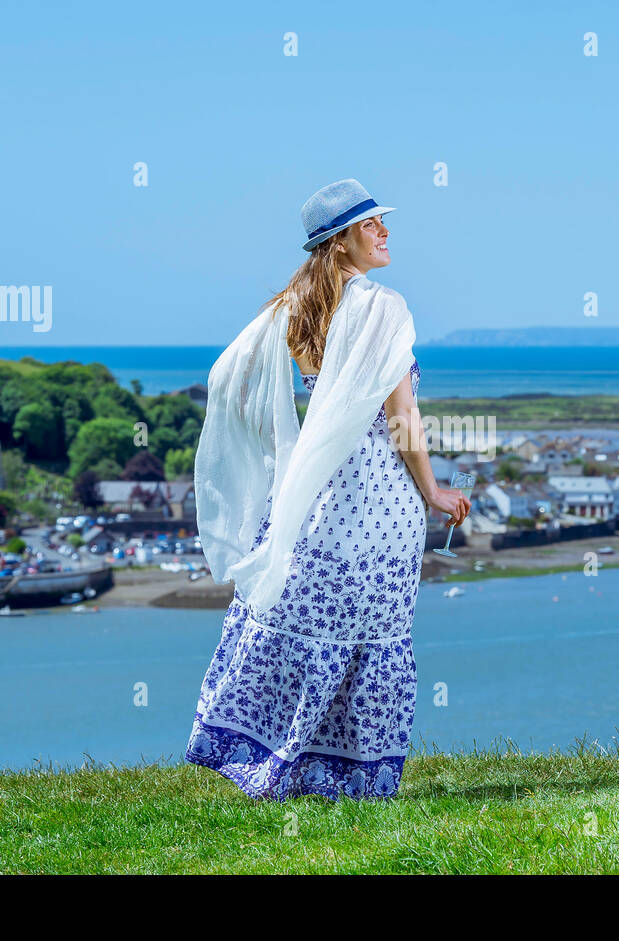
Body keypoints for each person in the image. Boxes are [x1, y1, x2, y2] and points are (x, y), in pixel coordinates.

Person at [186, 178, 471, 800]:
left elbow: (225, 380)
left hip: (313, 492)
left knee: (300, 617)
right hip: (378, 498)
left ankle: (271, 757)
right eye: (372, 225)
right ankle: (351, 776)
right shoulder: (381, 308)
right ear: (341, 241)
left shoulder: (298, 307)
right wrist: (434, 492)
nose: (385, 232)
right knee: (371, 631)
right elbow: (403, 420)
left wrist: (278, 448)